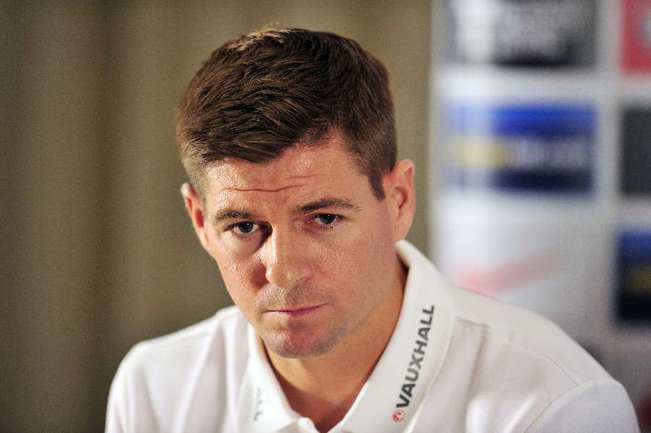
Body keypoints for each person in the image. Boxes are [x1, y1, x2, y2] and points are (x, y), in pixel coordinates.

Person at [105, 28, 640, 433]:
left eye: (324, 219)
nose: (283, 271)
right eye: (245, 226)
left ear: (398, 201)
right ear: (200, 221)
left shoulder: (555, 405)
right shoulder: (157, 389)